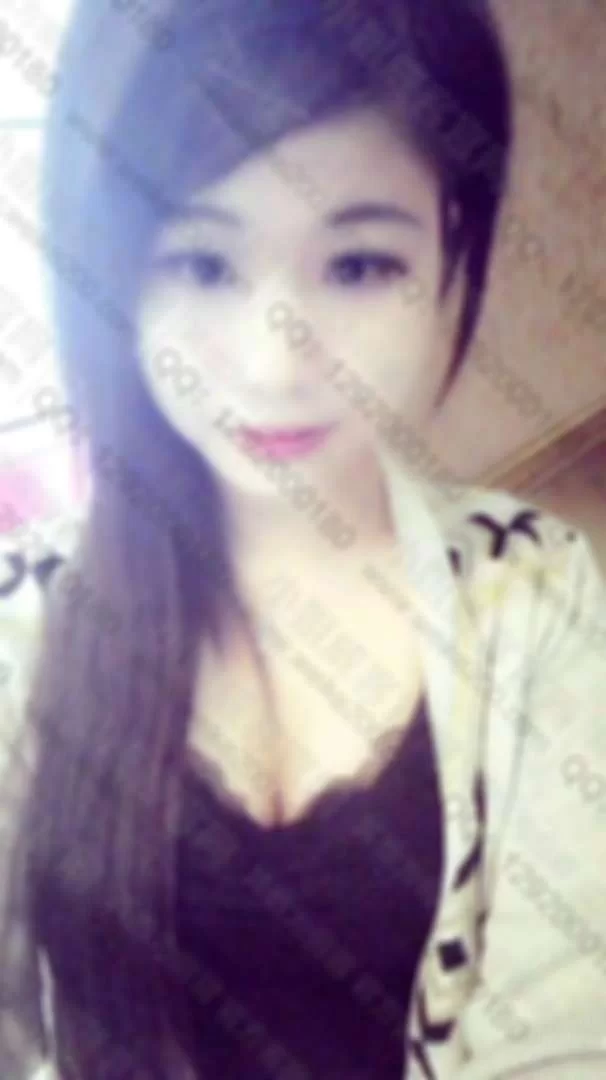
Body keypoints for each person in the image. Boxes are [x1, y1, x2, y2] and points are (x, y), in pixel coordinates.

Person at [1, 1, 605, 1077]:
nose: (275, 364)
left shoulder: (534, 593)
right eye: (202, 265)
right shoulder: (25, 626)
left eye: (359, 264)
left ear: (452, 248)